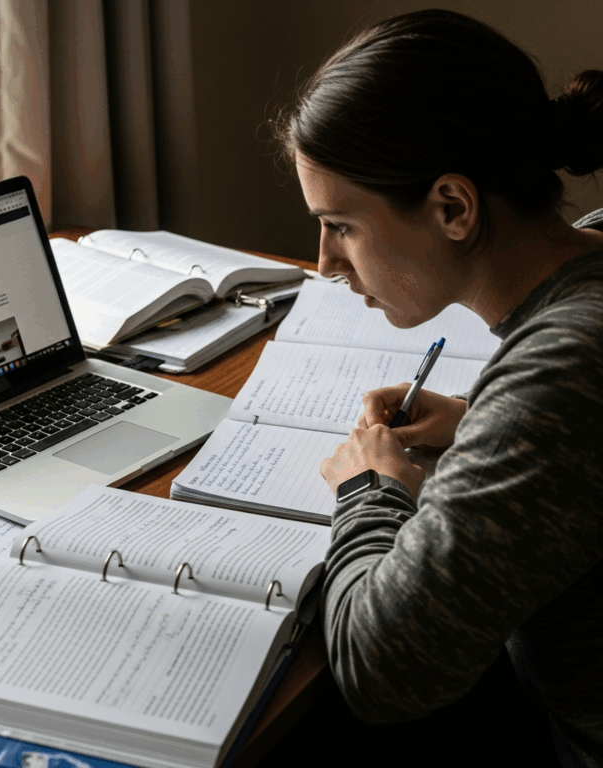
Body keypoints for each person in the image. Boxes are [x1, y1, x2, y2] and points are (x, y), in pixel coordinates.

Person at [275, 9, 603, 767]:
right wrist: (482, 421)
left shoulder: (565, 368)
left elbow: (380, 670)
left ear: (453, 207)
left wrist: (369, 487)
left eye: (340, 225)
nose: (325, 261)